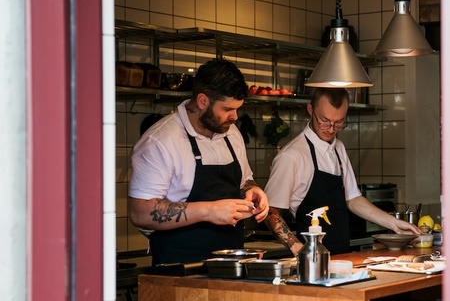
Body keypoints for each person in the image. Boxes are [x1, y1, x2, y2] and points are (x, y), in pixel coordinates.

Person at [129, 58, 269, 265]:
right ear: (203, 101)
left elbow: (244, 181)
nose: (235, 117)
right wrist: (210, 211)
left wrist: (252, 189)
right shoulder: (160, 141)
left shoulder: (231, 133)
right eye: (227, 109)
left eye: (237, 109)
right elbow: (140, 213)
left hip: (231, 266)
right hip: (179, 269)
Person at [263, 88, 421, 255]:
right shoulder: (292, 156)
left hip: (342, 254)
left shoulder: (338, 147)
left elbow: (353, 199)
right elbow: (270, 212)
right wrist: (300, 250)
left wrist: (394, 224)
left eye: (338, 123)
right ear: (310, 109)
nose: (331, 129)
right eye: (324, 121)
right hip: (311, 258)